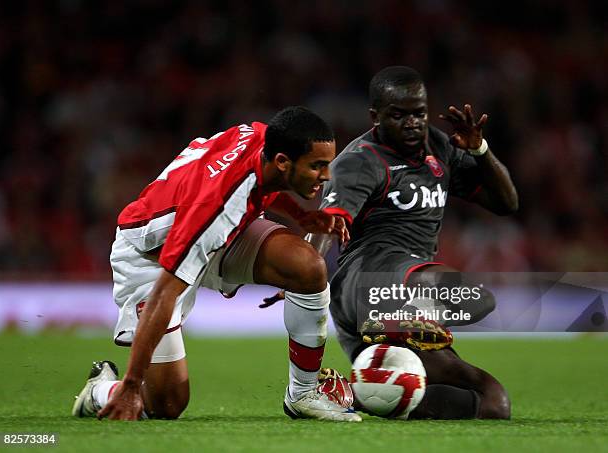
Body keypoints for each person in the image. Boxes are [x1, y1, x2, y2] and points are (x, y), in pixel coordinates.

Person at [71, 106, 361, 422]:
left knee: (307, 267)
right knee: (166, 404)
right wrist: (130, 383)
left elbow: (265, 185)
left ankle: (303, 394)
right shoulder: (215, 207)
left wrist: (303, 216)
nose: (326, 175)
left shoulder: (267, 140)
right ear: (282, 161)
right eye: (317, 166)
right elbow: (163, 295)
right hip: (151, 257)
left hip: (220, 233)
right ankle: (103, 390)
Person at [263, 66, 518, 419]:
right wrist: (300, 272)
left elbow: (506, 203)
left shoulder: (439, 147)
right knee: (462, 292)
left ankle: (352, 393)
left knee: (493, 403)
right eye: (399, 115)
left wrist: (479, 150)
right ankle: (402, 319)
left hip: (401, 296)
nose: (412, 122)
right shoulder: (360, 160)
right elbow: (328, 222)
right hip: (366, 279)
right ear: (375, 116)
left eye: (419, 113)